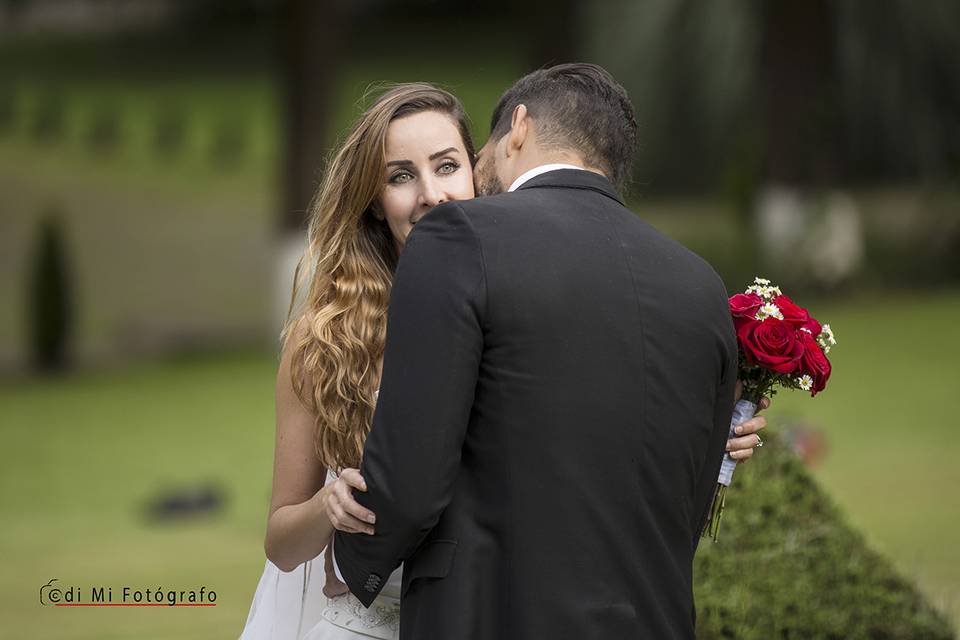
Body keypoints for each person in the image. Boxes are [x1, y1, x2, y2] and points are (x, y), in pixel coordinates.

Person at [241, 80, 766, 640]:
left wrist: (710, 434)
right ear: (374, 200)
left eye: (446, 167)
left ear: (477, 169)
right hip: (363, 612)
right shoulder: (325, 339)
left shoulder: (522, 305)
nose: (431, 194)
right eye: (400, 176)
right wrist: (330, 508)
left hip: (486, 608)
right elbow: (281, 539)